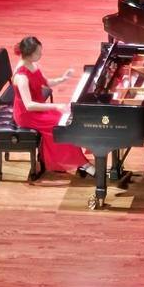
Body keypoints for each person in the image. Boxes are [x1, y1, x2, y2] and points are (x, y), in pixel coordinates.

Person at [9, 36, 88, 180]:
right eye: (38, 53)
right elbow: (29, 105)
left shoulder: (33, 65)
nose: (41, 55)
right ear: (29, 54)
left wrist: (63, 79)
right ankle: (79, 162)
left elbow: (45, 82)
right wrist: (55, 106)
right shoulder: (22, 77)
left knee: (66, 121)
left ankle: (79, 161)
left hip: (38, 108)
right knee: (61, 127)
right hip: (27, 115)